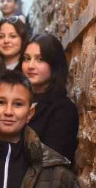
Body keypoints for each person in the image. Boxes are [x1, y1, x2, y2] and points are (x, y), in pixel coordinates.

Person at [22, 34, 79, 166]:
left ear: (54, 64)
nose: (30, 65)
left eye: (39, 59)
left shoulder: (63, 109)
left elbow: (53, 158)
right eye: (26, 59)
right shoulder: (16, 101)